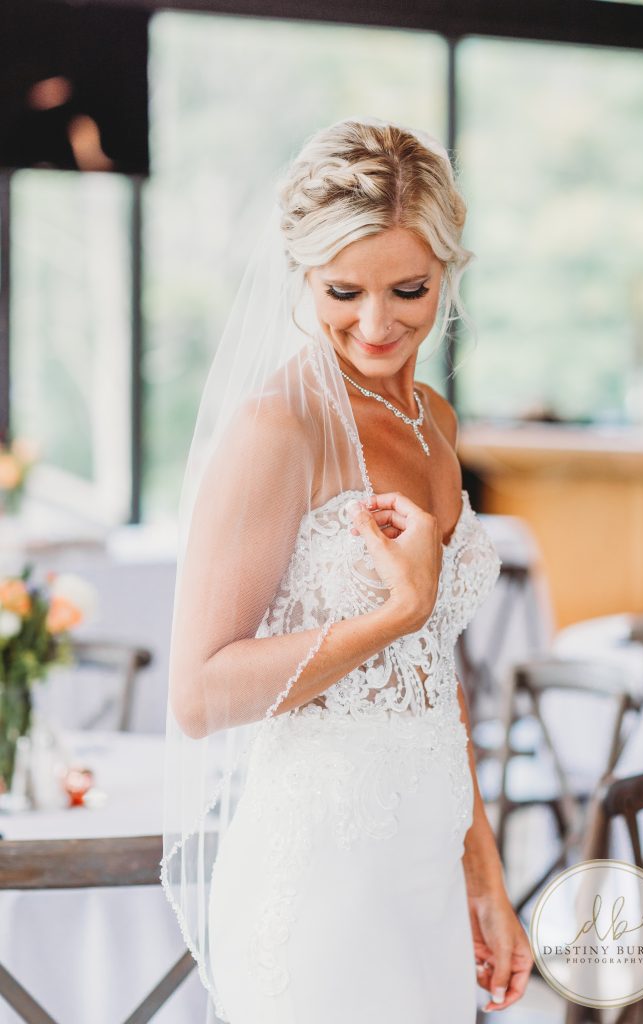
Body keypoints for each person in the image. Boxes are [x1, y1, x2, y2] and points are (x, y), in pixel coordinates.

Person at [161, 117, 533, 1024]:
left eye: (409, 290)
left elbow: (429, 676)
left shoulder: (433, 418)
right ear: (302, 276)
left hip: (425, 876)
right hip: (321, 883)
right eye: (342, 291)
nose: (376, 324)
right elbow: (200, 697)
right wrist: (395, 610)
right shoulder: (280, 426)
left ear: (448, 267)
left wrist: (483, 876)